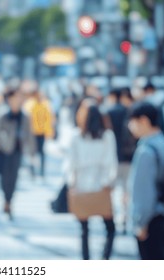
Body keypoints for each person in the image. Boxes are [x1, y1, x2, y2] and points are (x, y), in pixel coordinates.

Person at [65, 98, 118, 260]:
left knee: (84, 229)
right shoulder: (107, 136)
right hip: (101, 185)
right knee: (110, 227)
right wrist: (109, 182)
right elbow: (111, 161)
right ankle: (104, 258)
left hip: (81, 186)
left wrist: (71, 184)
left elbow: (70, 164)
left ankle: (86, 260)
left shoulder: (76, 136)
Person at [127, 102, 164, 260]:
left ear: (144, 121)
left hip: (149, 219)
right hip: (163, 212)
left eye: (132, 121)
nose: (130, 126)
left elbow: (144, 192)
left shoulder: (145, 151)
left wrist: (140, 223)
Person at [0, 88, 36, 219]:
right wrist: (1, 142)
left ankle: (9, 201)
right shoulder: (3, 115)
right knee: (4, 177)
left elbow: (29, 134)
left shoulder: (25, 116)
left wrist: (32, 152)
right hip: (4, 151)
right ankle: (6, 200)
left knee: (14, 177)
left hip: (18, 150)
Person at [104, 89, 135, 234]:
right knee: (126, 188)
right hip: (129, 155)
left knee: (113, 188)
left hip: (113, 156)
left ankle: (115, 215)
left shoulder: (109, 112)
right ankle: (124, 216)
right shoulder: (129, 111)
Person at [23, 89, 55, 179]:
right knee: (32, 153)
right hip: (31, 133)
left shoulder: (45, 104)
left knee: (41, 152)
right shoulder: (30, 105)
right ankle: (32, 171)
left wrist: (49, 131)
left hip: (41, 132)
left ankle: (42, 171)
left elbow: (48, 118)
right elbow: (26, 119)